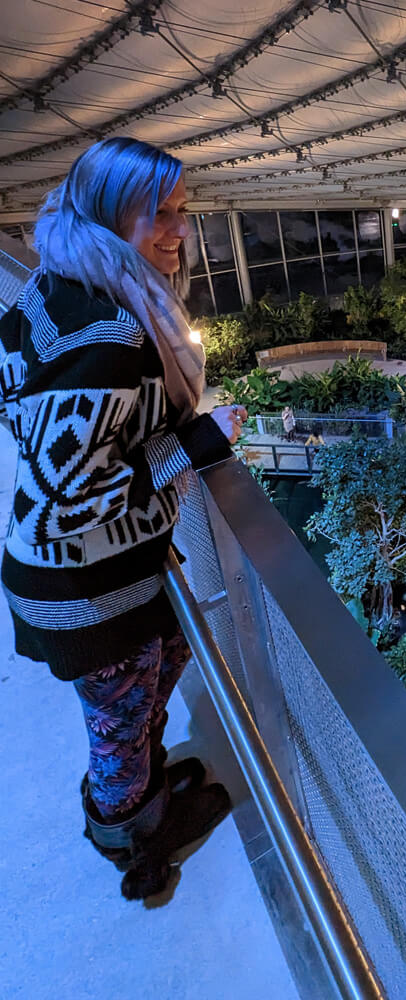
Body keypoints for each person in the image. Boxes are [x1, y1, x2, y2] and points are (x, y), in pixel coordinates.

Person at [0, 137, 247, 901]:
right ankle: (133, 841)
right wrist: (197, 443)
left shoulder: (56, 287)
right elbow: (69, 495)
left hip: (91, 576)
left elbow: (27, 414)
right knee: (117, 721)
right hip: (84, 589)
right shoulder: (113, 334)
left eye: (181, 210)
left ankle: (140, 785)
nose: (178, 231)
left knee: (160, 665)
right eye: (156, 215)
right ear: (109, 219)